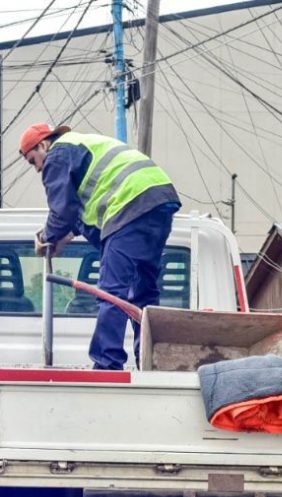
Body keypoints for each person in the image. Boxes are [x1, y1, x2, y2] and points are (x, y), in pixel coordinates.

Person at [20, 123, 181, 370]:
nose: (38, 168)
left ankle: (107, 364)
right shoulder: (80, 146)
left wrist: (47, 238)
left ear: (43, 145)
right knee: (144, 293)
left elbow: (62, 210)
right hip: (159, 199)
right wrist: (67, 233)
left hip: (130, 204)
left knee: (111, 290)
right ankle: (149, 361)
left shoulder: (57, 154)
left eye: (33, 161)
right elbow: (80, 211)